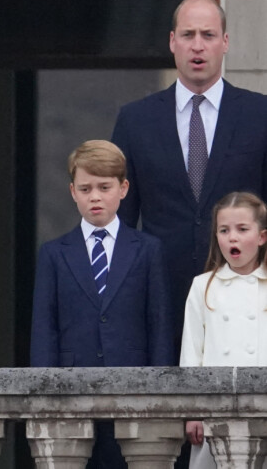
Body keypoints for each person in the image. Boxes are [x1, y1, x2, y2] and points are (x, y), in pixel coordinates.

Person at [111, 0, 267, 359]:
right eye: (188, 34)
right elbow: (121, 221)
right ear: (172, 41)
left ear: (225, 42)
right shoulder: (135, 120)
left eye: (209, 35)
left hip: (244, 300)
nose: (198, 45)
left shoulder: (260, 114)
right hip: (159, 295)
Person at [30, 140, 173, 469]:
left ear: (123, 189)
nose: (95, 196)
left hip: (135, 388)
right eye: (86, 188)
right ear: (72, 192)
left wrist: (162, 395)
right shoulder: (54, 253)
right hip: (70, 389)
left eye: (104, 187)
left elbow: (159, 325)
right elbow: (44, 327)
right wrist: (44, 393)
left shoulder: (148, 249)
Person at [180, 192, 267, 469]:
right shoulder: (203, 285)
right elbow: (192, 352)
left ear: (262, 236)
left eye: (242, 230)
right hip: (214, 408)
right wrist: (193, 411)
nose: (233, 237)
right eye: (224, 230)